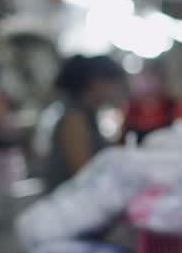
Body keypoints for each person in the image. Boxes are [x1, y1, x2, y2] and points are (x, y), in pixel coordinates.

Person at [43, 54, 126, 191]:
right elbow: (83, 173)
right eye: (113, 83)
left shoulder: (87, 116)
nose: (115, 90)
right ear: (96, 83)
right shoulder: (74, 120)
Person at [120, 60, 182, 143]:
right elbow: (122, 139)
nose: (149, 82)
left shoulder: (175, 106)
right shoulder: (132, 107)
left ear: (163, 80)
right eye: (146, 77)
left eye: (153, 77)